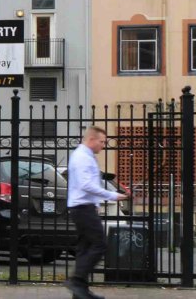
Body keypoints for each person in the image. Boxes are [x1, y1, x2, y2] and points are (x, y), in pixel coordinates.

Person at [66, 125, 127, 299]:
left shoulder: (86, 156)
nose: (103, 145)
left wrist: (98, 203)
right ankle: (77, 281)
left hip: (84, 207)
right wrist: (112, 195)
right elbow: (86, 185)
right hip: (82, 208)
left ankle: (80, 292)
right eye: (101, 142)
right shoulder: (82, 158)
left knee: (84, 249)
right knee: (99, 245)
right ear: (91, 139)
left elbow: (88, 184)